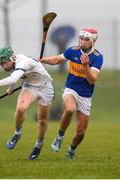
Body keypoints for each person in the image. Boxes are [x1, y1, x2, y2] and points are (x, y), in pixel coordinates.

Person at [0, 47, 54, 160]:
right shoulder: (12, 64)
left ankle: (38, 145)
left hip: (45, 88)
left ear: (11, 58)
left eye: (5, 62)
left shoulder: (23, 62)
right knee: (20, 109)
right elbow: (13, 75)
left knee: (42, 120)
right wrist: (10, 88)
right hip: (30, 86)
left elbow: (14, 78)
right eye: (1, 63)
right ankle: (17, 133)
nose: (4, 66)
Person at [40, 28, 103, 159]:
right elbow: (58, 59)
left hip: (85, 95)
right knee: (70, 109)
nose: (83, 42)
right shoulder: (72, 51)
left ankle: (71, 150)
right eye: (81, 38)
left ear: (93, 41)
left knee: (80, 133)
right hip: (70, 89)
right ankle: (59, 137)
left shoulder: (97, 57)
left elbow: (92, 80)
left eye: (87, 40)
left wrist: (85, 66)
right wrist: (44, 60)